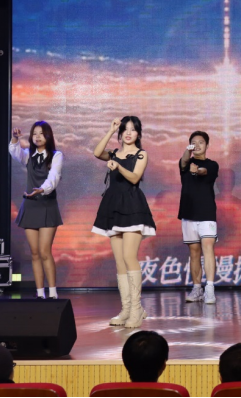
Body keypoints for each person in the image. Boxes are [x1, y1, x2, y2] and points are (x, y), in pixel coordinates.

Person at [92, 116, 156, 328]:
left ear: (138, 133)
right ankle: (126, 309)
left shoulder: (141, 154)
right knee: (119, 261)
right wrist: (110, 131)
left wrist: (118, 167)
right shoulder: (113, 153)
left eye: (133, 129)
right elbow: (97, 152)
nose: (128, 133)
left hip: (132, 206)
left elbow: (135, 177)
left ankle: (136, 310)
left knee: (129, 257)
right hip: (113, 206)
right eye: (125, 129)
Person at [9, 121, 64, 300]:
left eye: (41, 133)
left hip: (47, 205)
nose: (38, 137)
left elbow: (54, 177)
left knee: (45, 251)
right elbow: (15, 152)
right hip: (31, 206)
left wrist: (42, 189)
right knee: (34, 253)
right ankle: (40, 293)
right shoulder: (28, 155)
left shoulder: (56, 155)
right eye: (34, 134)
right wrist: (15, 139)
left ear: (48, 136)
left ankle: (53, 293)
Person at [180, 131, 220, 305]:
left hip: (206, 213)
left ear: (207, 145)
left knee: (208, 248)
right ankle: (197, 289)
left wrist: (197, 170)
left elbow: (204, 171)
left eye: (201, 142)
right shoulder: (185, 163)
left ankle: (209, 289)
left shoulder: (212, 165)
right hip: (188, 213)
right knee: (194, 253)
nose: (197, 145)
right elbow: (183, 162)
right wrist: (187, 153)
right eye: (193, 142)